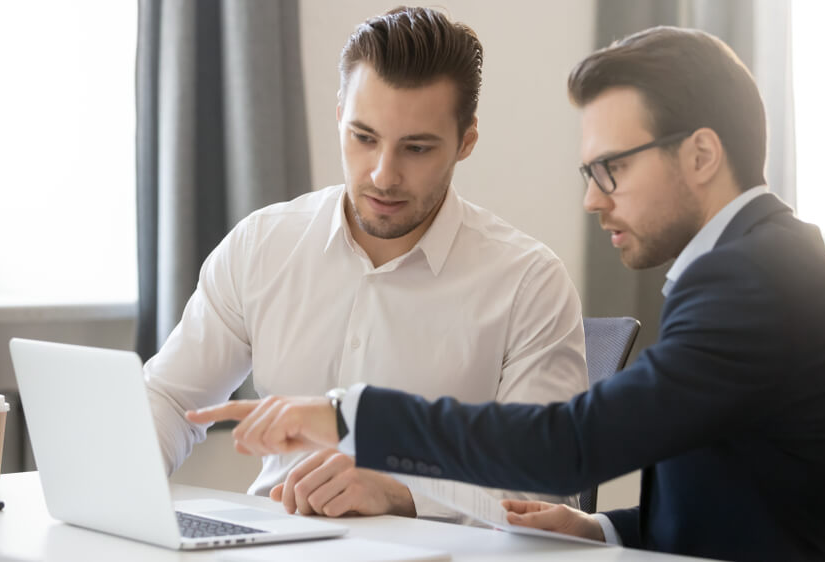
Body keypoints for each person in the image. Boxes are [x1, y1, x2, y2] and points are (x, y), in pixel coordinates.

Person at [188, 26, 825, 561]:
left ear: (700, 155)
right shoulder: (751, 265)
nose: (593, 201)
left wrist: (349, 413)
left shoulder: (757, 284)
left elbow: (569, 443)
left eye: (610, 169)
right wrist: (605, 532)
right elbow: (752, 500)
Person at [146, 6, 587, 524]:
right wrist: (119, 486)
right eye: (364, 137)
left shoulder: (528, 284)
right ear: (339, 117)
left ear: (465, 142)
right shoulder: (262, 245)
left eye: (416, 148)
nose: (383, 175)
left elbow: (546, 498)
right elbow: (172, 399)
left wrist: (403, 494)